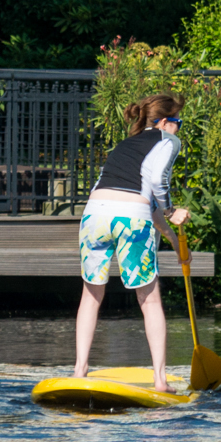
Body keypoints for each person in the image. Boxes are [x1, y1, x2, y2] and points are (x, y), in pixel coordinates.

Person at [71, 93, 192, 385]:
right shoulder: (168, 141)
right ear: (164, 122)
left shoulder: (125, 146)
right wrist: (172, 211)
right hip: (131, 220)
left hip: (93, 217)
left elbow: (142, 199)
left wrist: (172, 239)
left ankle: (79, 371)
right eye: (178, 123)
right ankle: (160, 380)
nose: (179, 129)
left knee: (91, 296)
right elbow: (156, 183)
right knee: (149, 300)